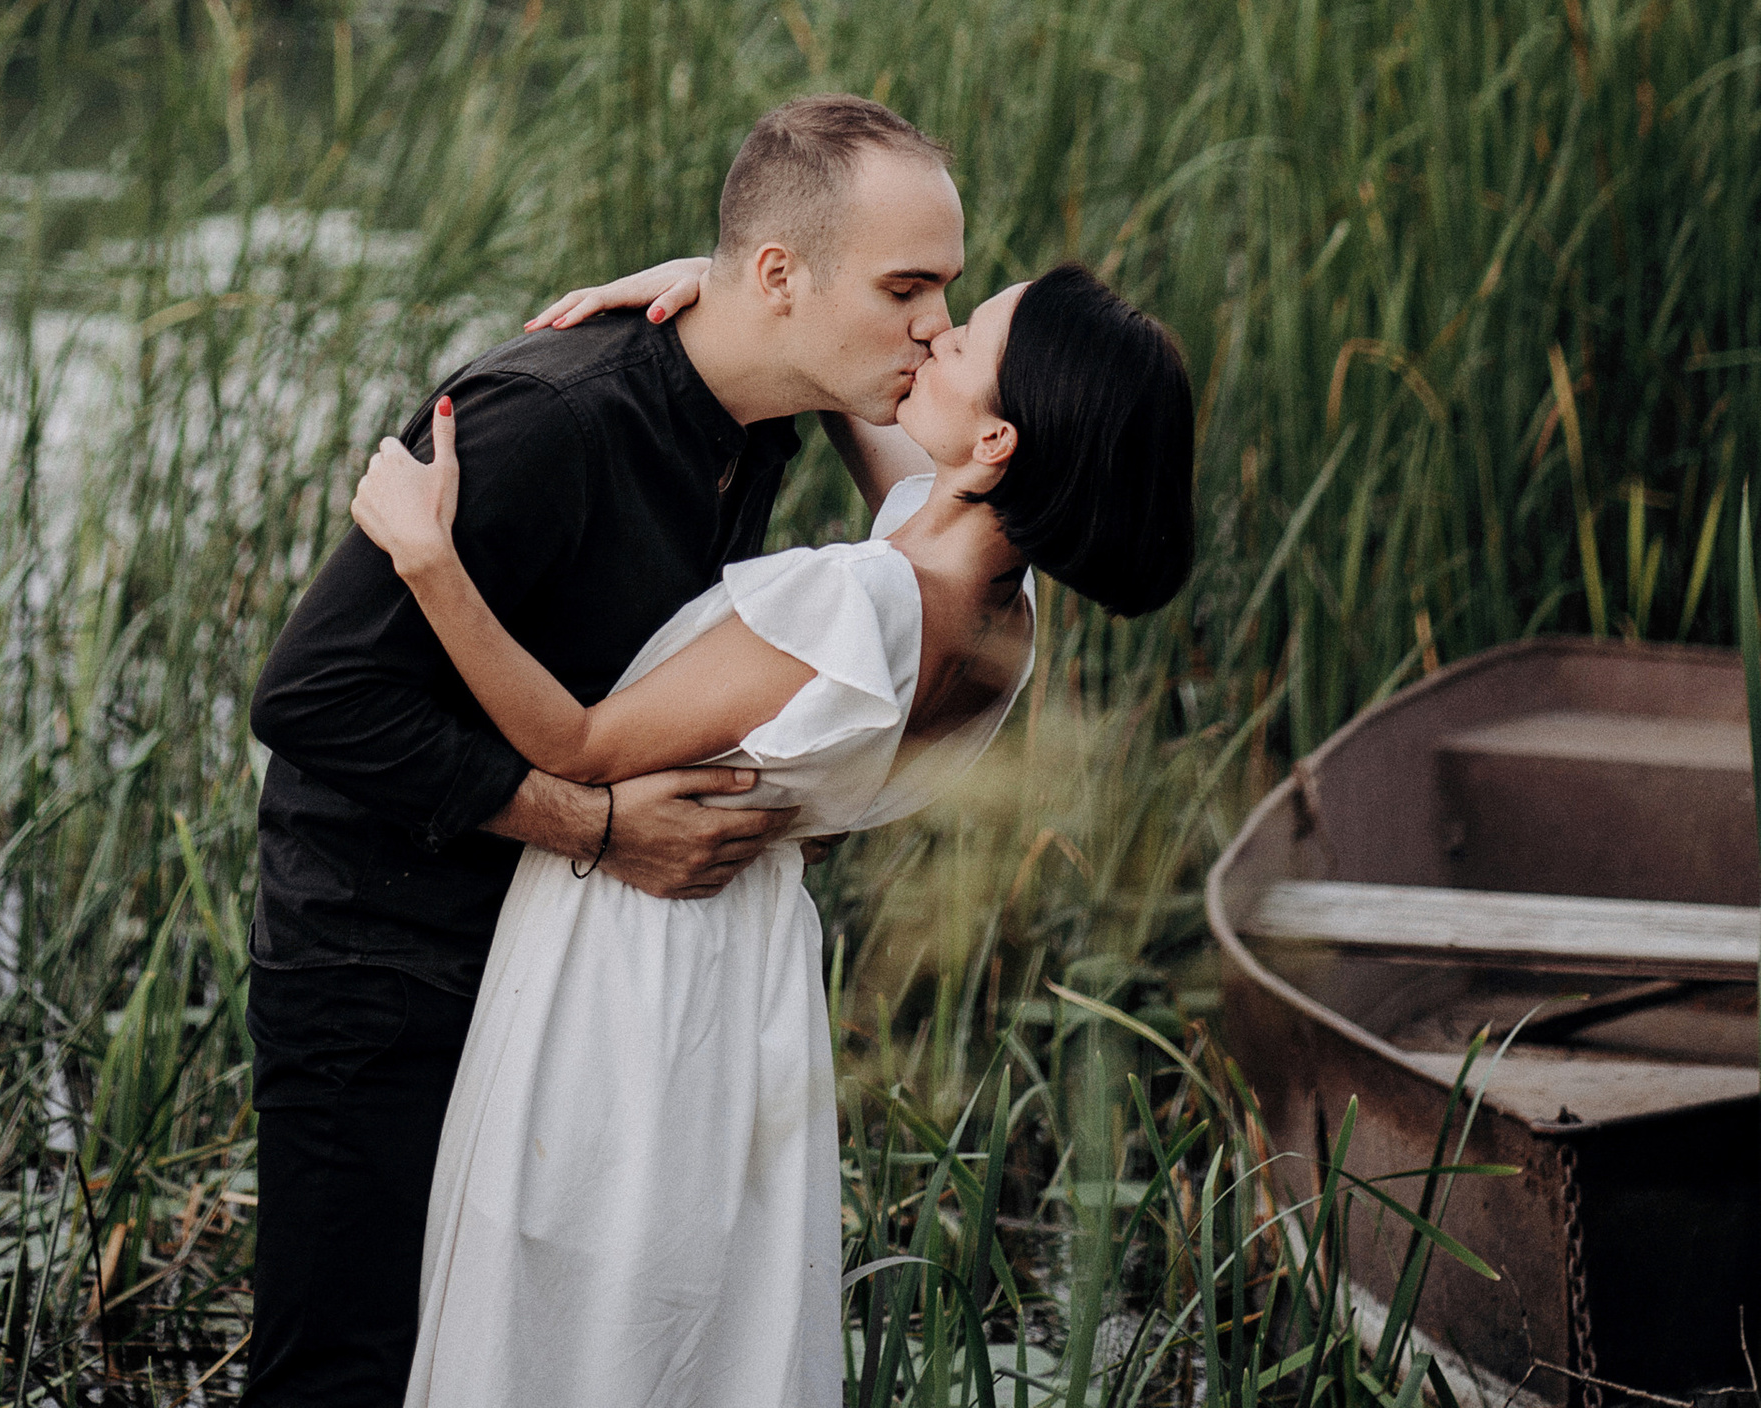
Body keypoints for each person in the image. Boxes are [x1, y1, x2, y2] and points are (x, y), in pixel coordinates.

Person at [353, 256, 1196, 1408]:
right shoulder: (1002, 617)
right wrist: (751, 301)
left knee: (565, 1321)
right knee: (696, 1325)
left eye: (963, 341)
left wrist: (427, 560)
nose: (932, 335)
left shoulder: (851, 604)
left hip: (627, 963)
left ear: (995, 445)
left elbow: (582, 747)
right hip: (748, 980)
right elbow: (891, 454)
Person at [242, 93, 968, 1408]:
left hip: (545, 958)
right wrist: (597, 826)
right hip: (381, 954)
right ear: (778, 277)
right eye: (909, 288)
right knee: (347, 1367)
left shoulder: (766, 411)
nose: (937, 327)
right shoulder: (547, 420)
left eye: (951, 295)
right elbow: (314, 696)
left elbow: (954, 487)